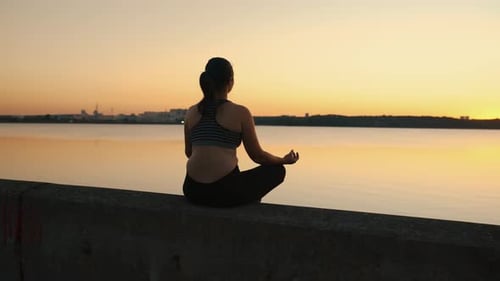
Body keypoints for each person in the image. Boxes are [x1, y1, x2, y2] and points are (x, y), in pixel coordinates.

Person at [182, 57, 299, 207]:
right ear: (230, 81)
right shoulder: (240, 112)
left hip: (192, 190)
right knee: (277, 171)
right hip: (224, 192)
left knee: (235, 174)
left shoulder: (191, 112)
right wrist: (283, 160)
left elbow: (189, 152)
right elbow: (258, 156)